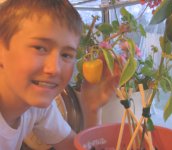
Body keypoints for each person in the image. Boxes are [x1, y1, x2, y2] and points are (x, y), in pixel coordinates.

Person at [0, 0, 119, 149]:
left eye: (66, 55)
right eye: (40, 48)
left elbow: (74, 147)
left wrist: (92, 110)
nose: (54, 69)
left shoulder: (37, 107)